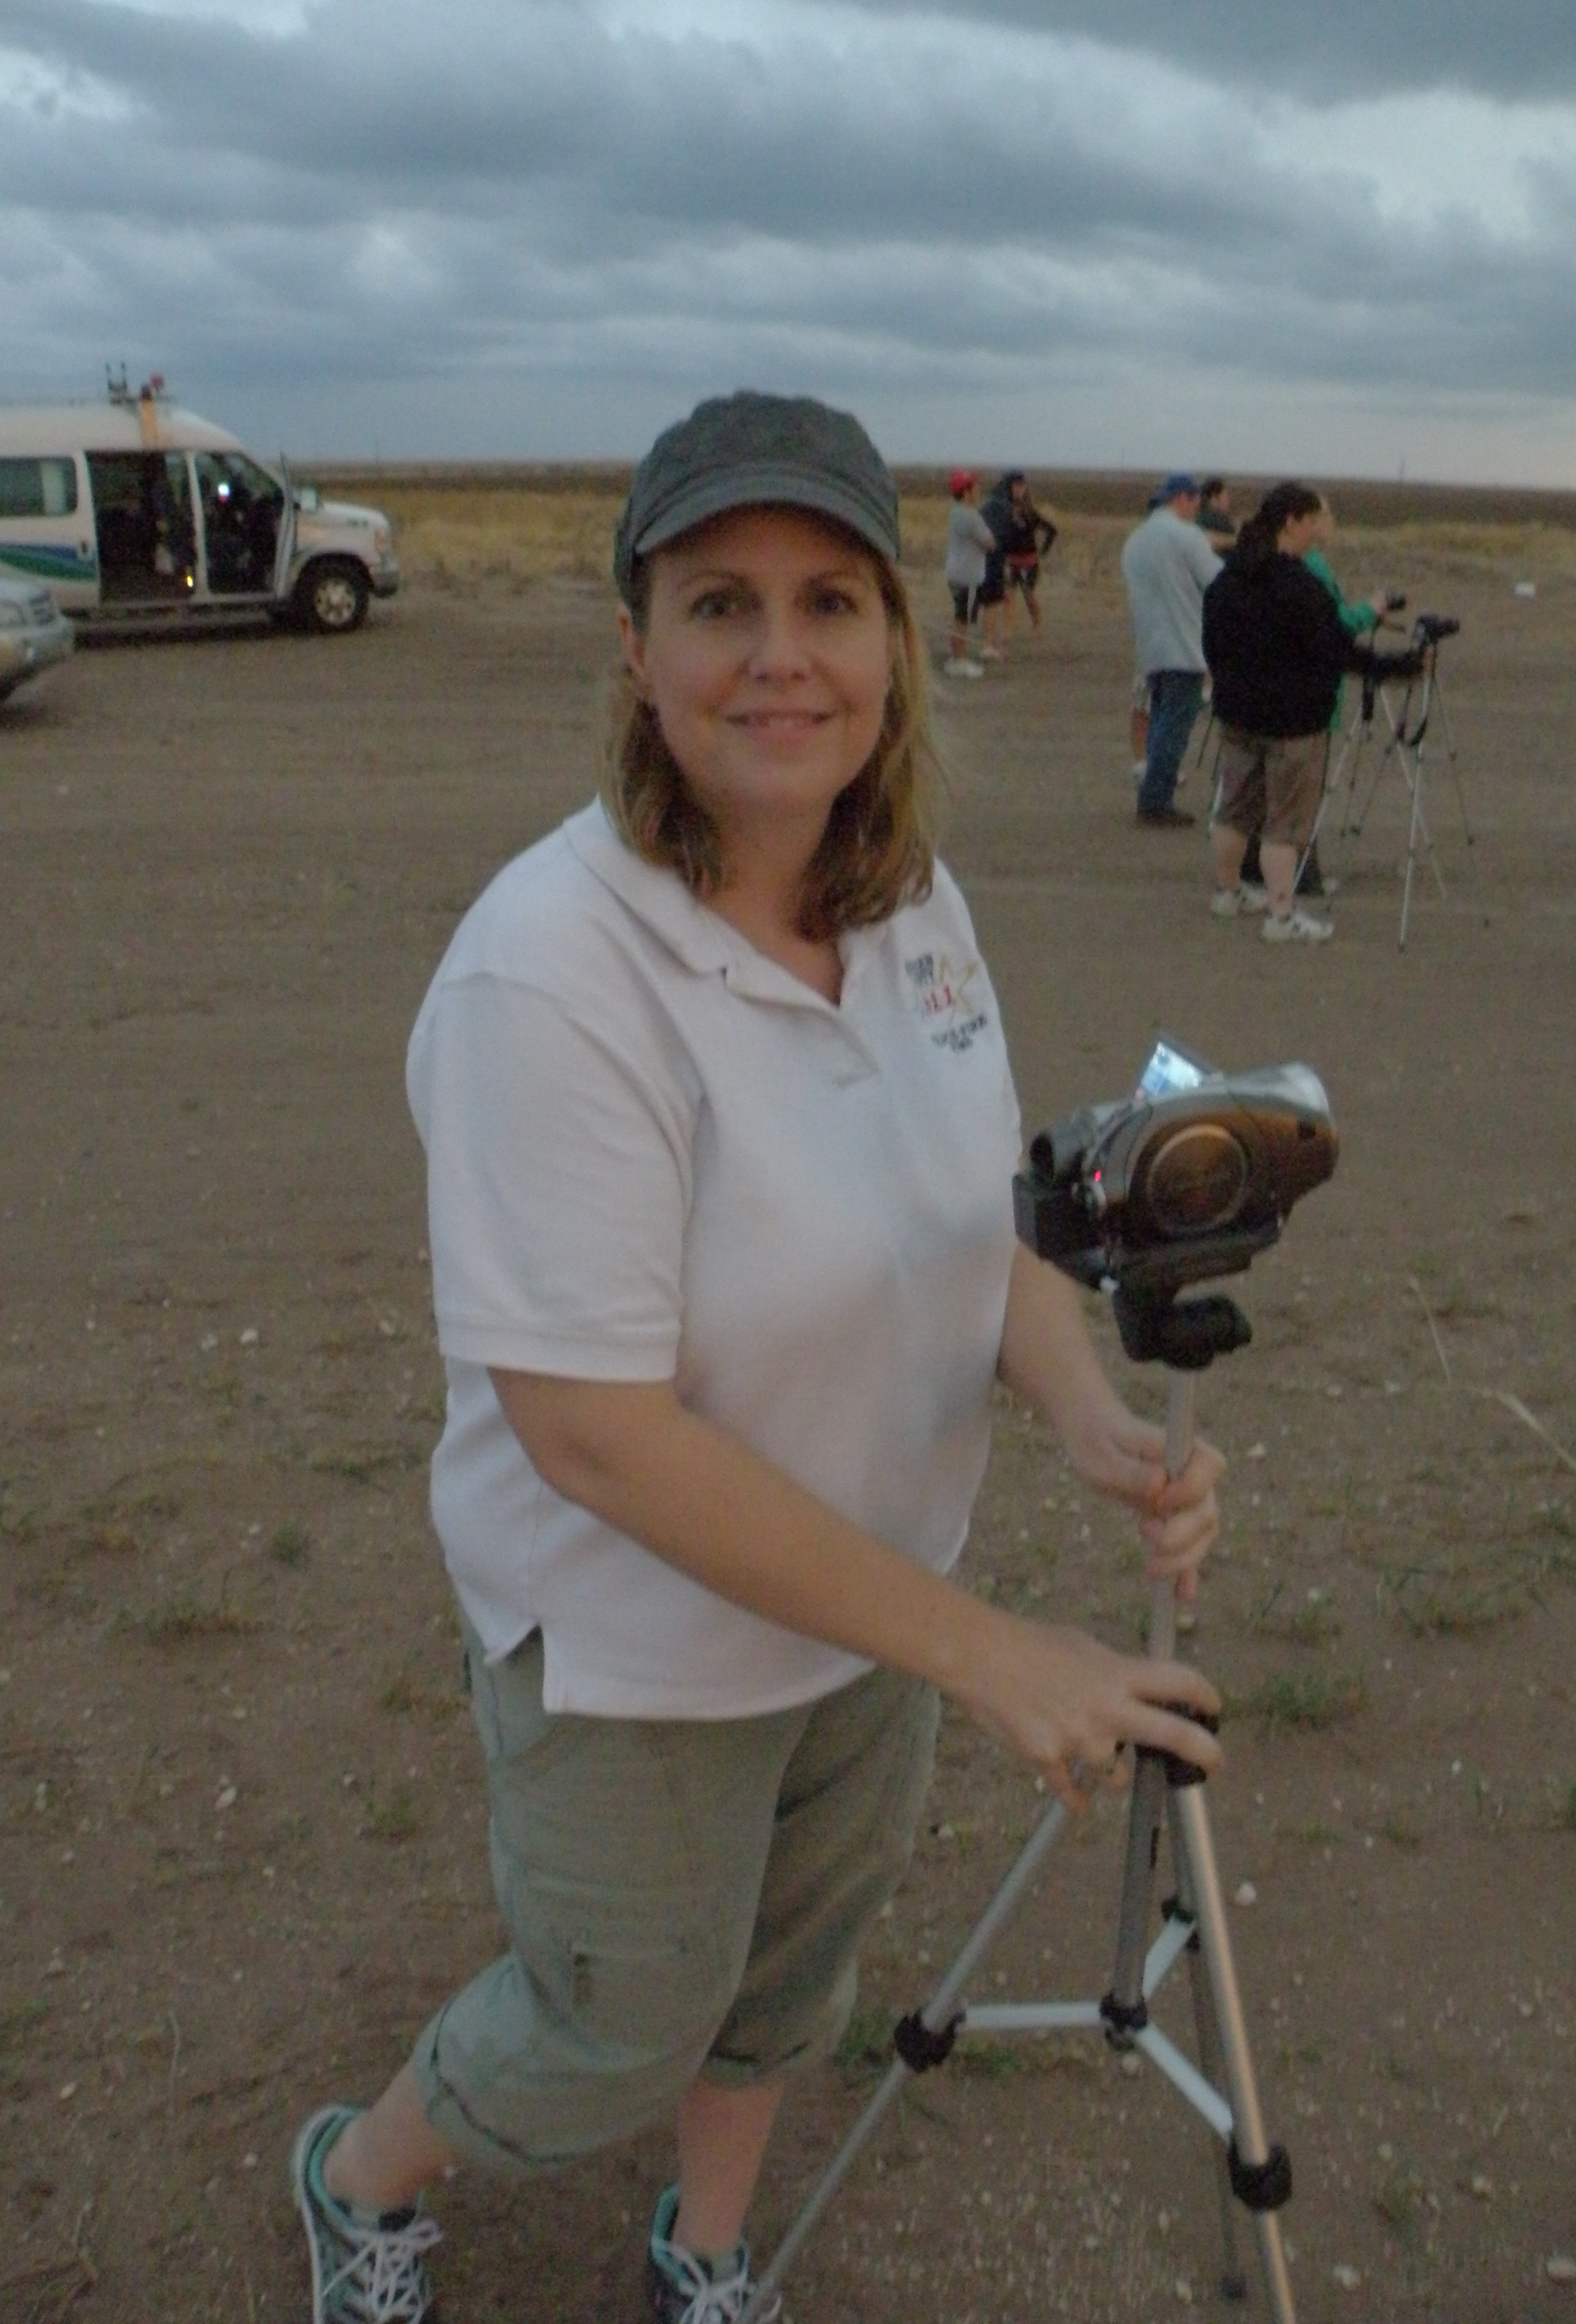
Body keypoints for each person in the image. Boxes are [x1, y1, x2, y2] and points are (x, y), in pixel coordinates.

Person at [289, 391, 1226, 2324]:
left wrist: (1087, 1412)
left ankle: (705, 2254)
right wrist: (990, 1651)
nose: (781, 655)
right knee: (609, 2027)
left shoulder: (914, 910)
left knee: (791, 1982)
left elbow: (982, 1230)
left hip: (869, 1608)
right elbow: (598, 1437)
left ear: (895, 636)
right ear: (638, 653)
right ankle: (359, 2175)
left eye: (831, 600)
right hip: (639, 1638)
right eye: (722, 605)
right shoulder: (552, 971)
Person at [1202, 480, 1375, 944]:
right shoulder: (1298, 583)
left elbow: (1212, 637)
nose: (1316, 531)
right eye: (1313, 521)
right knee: (1283, 824)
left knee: (1234, 810)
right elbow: (1336, 646)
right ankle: (1281, 916)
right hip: (1292, 724)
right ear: (1292, 522)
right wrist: (1394, 666)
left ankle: (1229, 891)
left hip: (1239, 716)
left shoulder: (1232, 575)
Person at [1119, 473, 1221, 828]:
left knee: (1161, 721)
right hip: (1184, 645)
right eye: (1196, 502)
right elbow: (1217, 580)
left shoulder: (1135, 540)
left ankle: (1153, 796)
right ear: (1183, 499)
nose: (1197, 509)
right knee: (1172, 729)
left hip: (1151, 647)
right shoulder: (1186, 536)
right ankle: (1155, 801)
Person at [975, 469, 1053, 658]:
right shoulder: (1004, 509)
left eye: (1023, 486)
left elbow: (1051, 530)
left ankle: (1037, 624)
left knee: (1028, 596)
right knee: (1008, 596)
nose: (1021, 490)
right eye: (1017, 486)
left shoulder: (1029, 513)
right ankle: (1007, 631)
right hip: (1012, 562)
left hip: (1029, 562)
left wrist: (1043, 552)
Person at [942, 467, 996, 676]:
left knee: (960, 617)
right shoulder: (970, 517)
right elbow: (990, 544)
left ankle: (956, 658)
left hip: (956, 573)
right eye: (975, 487)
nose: (979, 490)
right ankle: (959, 661)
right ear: (966, 492)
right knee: (962, 620)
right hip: (966, 576)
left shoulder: (956, 512)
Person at [1196, 477, 1237, 554]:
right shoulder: (1208, 518)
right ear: (1214, 498)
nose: (1229, 500)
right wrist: (1236, 540)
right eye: (1225, 496)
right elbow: (1205, 538)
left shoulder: (1220, 519)